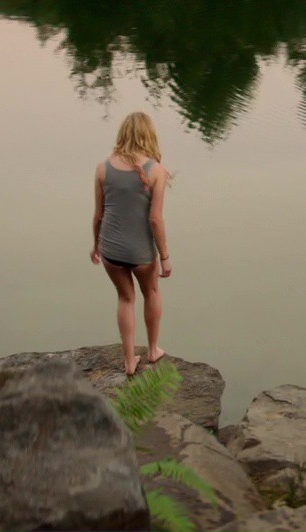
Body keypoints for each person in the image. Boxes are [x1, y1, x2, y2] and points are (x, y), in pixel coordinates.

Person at [90, 111, 173, 377]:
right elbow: (155, 220)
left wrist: (95, 245)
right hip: (141, 252)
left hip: (111, 250)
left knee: (125, 298)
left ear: (123, 134)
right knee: (152, 293)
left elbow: (98, 215)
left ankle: (129, 362)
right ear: (149, 136)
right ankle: (152, 350)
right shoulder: (156, 171)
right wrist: (165, 257)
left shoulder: (103, 168)